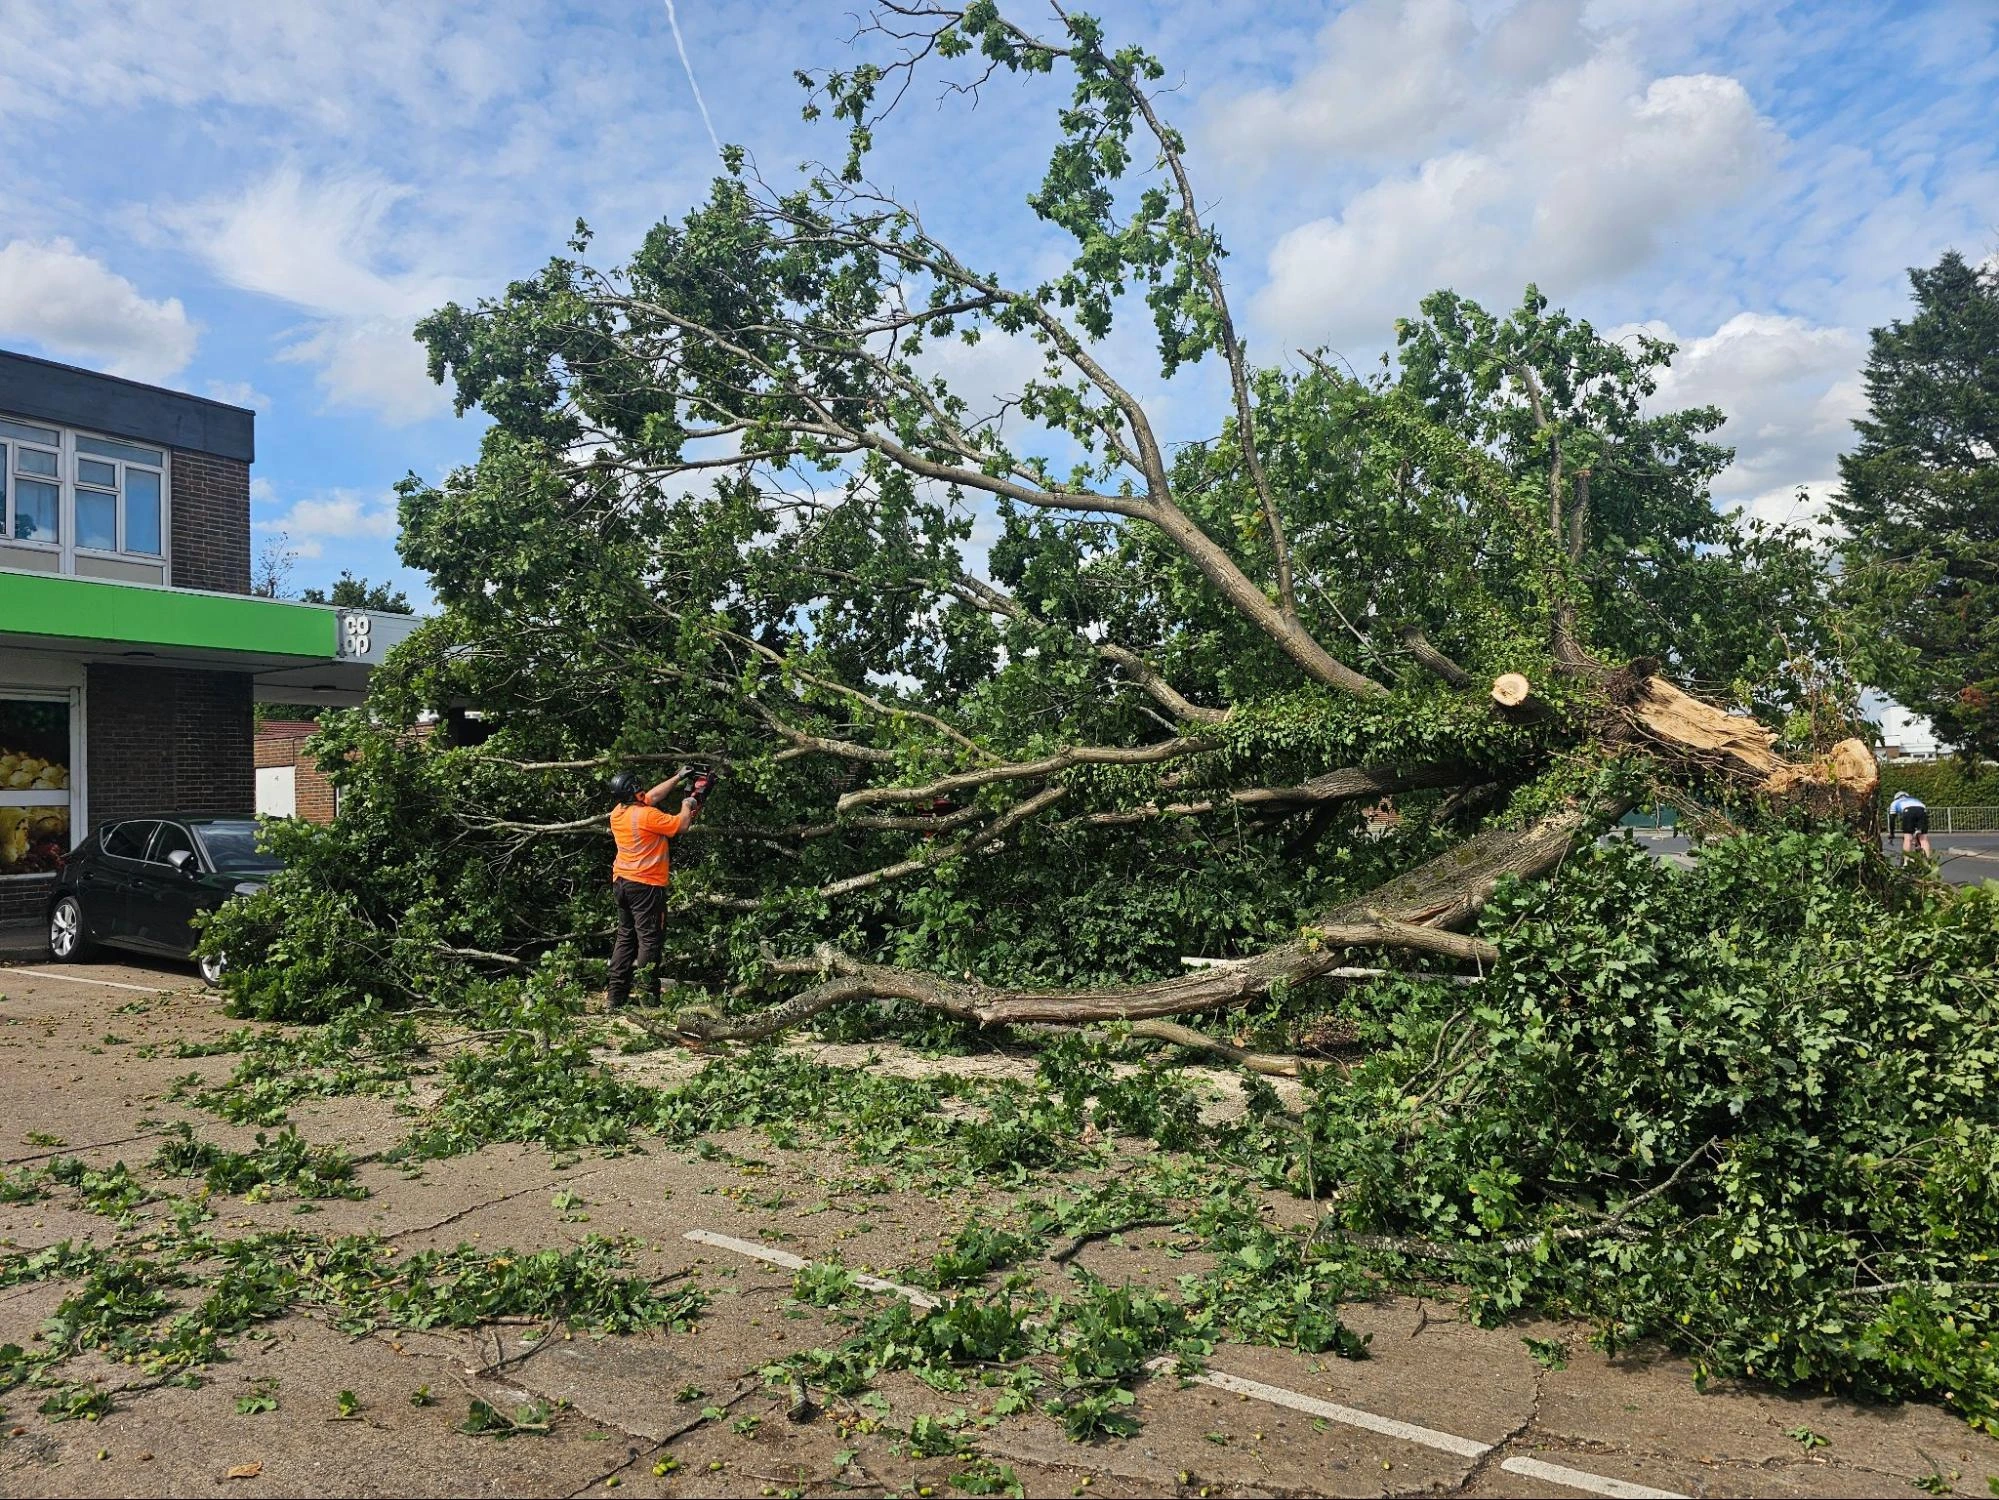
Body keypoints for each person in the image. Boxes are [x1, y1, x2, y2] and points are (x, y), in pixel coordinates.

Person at [604, 766, 706, 1010]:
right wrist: (688, 801)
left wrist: (678, 777)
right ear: (633, 791)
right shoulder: (647, 816)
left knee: (625, 938)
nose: (643, 791)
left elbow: (654, 796)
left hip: (622, 883)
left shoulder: (618, 812)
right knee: (649, 941)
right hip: (646, 886)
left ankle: (615, 997)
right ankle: (649, 999)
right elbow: (681, 825)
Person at [1888, 789, 1932, 863]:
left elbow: (1892, 819)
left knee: (1908, 838)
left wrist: (1892, 834)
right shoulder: (1916, 800)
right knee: (1923, 839)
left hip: (1908, 812)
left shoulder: (1895, 802)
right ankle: (1928, 861)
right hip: (1921, 811)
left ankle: (1906, 861)